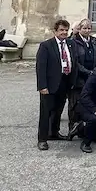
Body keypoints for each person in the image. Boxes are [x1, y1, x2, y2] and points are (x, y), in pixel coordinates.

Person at [36, 19, 79, 151]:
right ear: (55, 31)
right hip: (49, 84)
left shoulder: (71, 44)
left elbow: (74, 62)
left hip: (65, 82)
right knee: (46, 112)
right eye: (61, 30)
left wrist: (73, 81)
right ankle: (42, 139)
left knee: (58, 110)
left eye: (66, 30)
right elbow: (41, 67)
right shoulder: (46, 45)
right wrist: (42, 86)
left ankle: (54, 133)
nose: (64, 32)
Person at [70, 18, 96, 138]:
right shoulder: (74, 41)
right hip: (79, 77)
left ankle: (84, 128)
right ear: (79, 29)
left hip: (92, 76)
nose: (87, 30)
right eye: (84, 28)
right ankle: (72, 127)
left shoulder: (93, 41)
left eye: (89, 28)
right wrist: (87, 72)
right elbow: (75, 61)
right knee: (75, 103)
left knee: (89, 102)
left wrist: (95, 71)